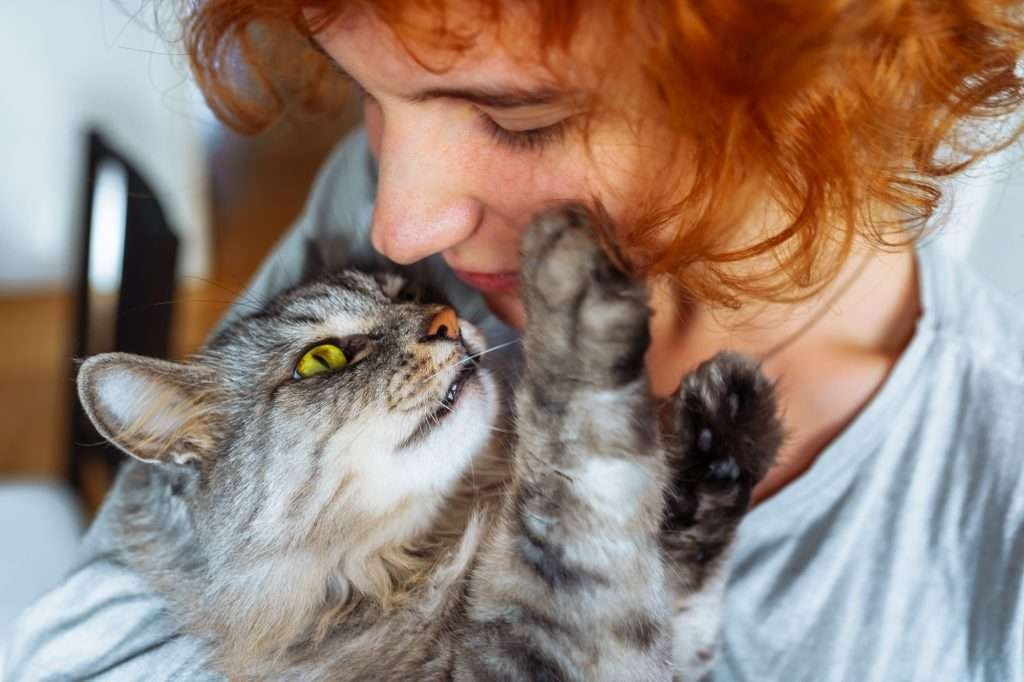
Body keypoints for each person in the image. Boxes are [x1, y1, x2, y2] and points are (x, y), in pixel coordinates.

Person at [6, 1, 1024, 679]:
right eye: (368, 92)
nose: (398, 227)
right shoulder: (374, 219)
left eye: (521, 119)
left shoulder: (985, 536)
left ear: (802, 108)